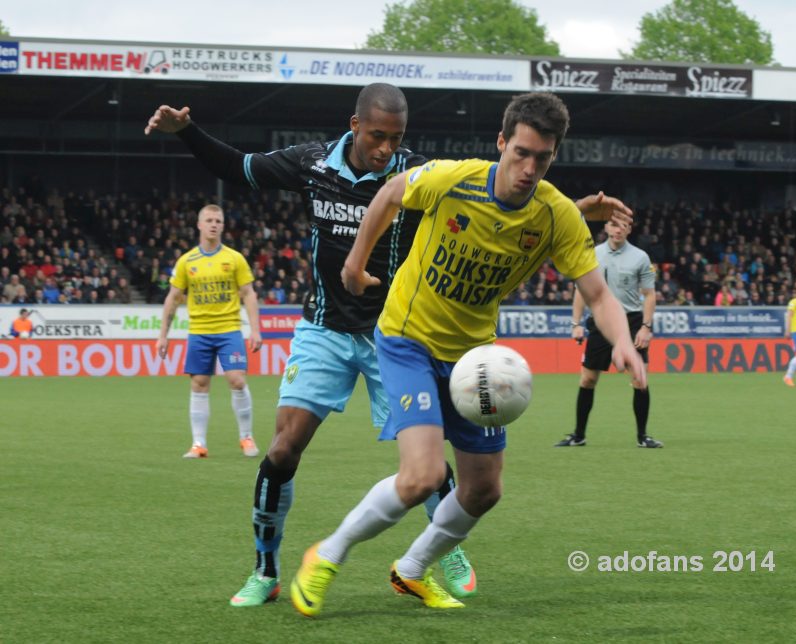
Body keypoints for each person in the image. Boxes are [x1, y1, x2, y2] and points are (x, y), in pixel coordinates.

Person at [145, 84, 632, 607]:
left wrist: (570, 212)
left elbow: (507, 216)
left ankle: (438, 553)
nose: (385, 148)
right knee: (286, 448)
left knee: (440, 471)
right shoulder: (314, 164)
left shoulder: (423, 171)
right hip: (330, 328)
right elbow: (239, 166)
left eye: (395, 138)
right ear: (355, 126)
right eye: (377, 136)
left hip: (396, 329)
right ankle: (267, 570)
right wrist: (187, 132)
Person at [289, 91, 643, 616]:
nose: (527, 168)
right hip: (408, 340)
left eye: (541, 159)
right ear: (501, 142)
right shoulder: (451, 178)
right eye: (520, 152)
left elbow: (596, 293)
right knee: (423, 476)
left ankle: (411, 571)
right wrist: (354, 265)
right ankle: (327, 553)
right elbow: (388, 195)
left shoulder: (557, 217)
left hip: (473, 358)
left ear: (553, 158)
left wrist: (622, 343)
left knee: (483, 489)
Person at [156, 204, 263, 459]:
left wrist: (255, 330)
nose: (214, 224)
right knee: (199, 384)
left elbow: (248, 294)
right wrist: (163, 334)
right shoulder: (186, 261)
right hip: (199, 331)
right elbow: (173, 298)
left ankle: (246, 437)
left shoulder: (234, 258)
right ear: (199, 225)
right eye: (209, 220)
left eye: (218, 220)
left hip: (229, 330)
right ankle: (199, 444)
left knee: (237, 380)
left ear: (223, 226)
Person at [555, 219, 662, 448]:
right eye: (614, 224)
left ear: (630, 229)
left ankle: (643, 436)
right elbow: (581, 291)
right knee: (588, 379)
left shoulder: (640, 257)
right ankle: (578, 435)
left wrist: (646, 327)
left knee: (640, 380)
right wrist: (576, 323)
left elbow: (650, 295)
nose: (618, 228)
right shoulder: (592, 254)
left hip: (632, 322)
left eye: (623, 225)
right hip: (600, 322)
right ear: (606, 227)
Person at [782, 290, 796, 386]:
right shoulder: (794, 302)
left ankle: (788, 377)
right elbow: (789, 316)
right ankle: (788, 377)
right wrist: (787, 330)